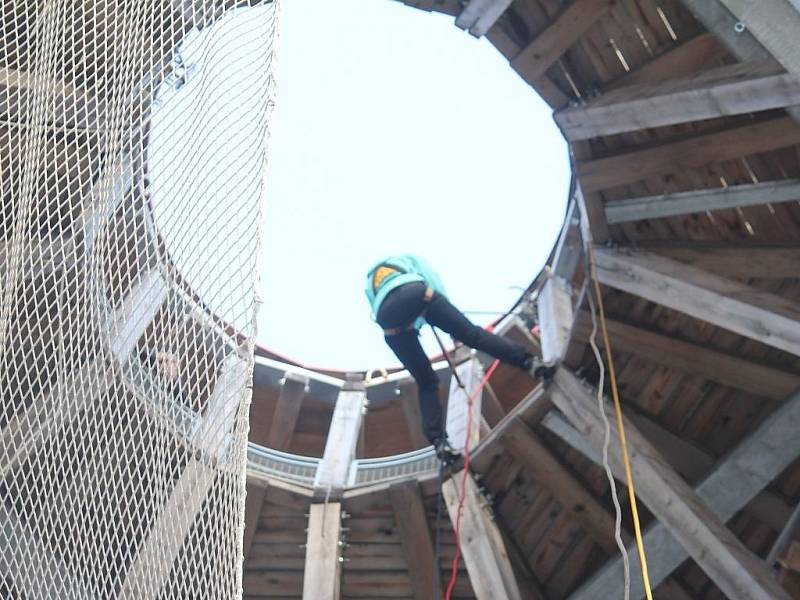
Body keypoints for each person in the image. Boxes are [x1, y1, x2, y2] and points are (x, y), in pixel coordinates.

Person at [365, 254, 555, 464]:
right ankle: (530, 364)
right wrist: (446, 318)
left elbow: (378, 306)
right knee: (473, 336)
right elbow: (430, 278)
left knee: (426, 381)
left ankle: (439, 442)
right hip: (418, 293)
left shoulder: (369, 281)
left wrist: (415, 326)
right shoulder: (404, 259)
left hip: (388, 319)